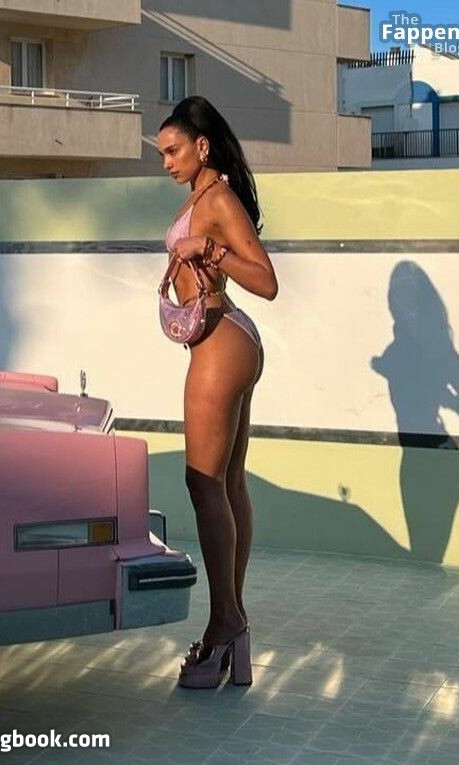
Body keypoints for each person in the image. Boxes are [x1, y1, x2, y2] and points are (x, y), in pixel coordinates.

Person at [157, 96, 278, 688]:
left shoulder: (219, 200)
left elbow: (267, 281)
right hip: (225, 341)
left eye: (174, 150)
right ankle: (233, 624)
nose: (166, 162)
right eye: (162, 153)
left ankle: (224, 625)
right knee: (227, 484)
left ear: (202, 146)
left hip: (221, 344)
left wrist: (207, 249)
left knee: (202, 483)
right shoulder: (201, 196)